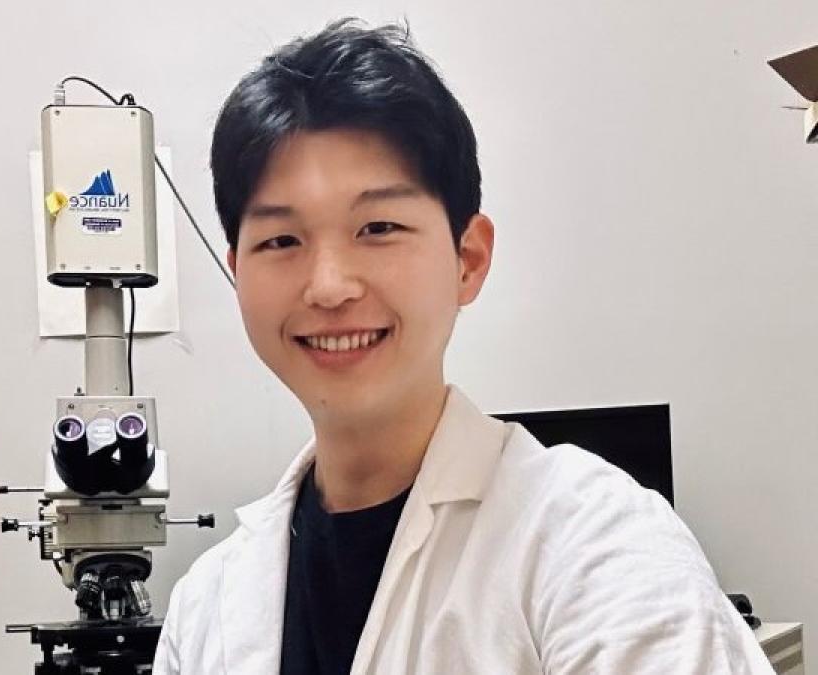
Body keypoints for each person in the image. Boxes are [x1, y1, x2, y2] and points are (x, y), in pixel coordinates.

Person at [152, 18, 773, 675]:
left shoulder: (593, 541)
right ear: (238, 272)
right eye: (281, 240)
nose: (328, 286)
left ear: (468, 258)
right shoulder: (206, 604)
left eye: (379, 226)